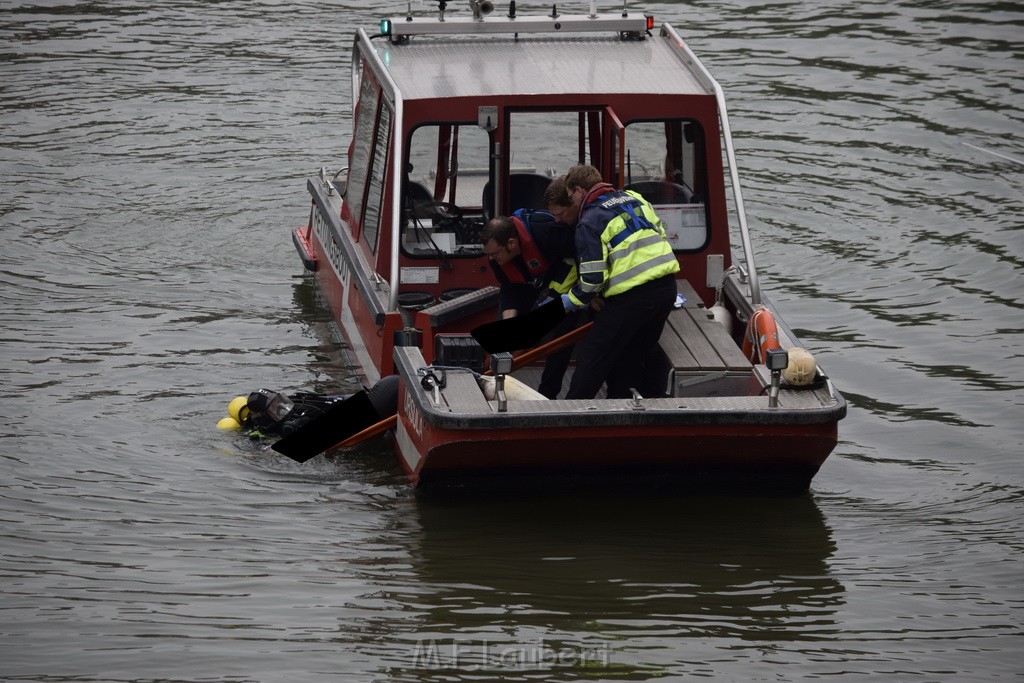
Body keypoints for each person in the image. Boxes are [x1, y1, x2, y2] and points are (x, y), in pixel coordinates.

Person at [560, 164, 680, 400]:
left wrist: (571, 301)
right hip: (667, 290)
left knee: (592, 356)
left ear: (579, 191)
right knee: (632, 355)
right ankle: (623, 407)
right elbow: (659, 235)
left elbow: (592, 279)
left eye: (570, 196)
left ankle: (570, 413)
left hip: (632, 299)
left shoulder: (590, 222)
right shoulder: (635, 199)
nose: (572, 203)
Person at [479, 205, 577, 398]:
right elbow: (509, 287)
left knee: (560, 337)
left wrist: (562, 297)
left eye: (495, 253)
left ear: (512, 243)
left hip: (566, 282)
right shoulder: (496, 257)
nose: (491, 259)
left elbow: (581, 257)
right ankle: (492, 387)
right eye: (488, 254)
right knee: (502, 340)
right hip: (530, 285)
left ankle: (548, 394)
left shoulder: (547, 232)